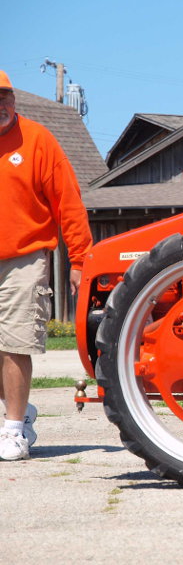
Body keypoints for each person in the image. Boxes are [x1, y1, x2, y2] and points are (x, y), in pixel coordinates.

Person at [0, 70, 93, 461]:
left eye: (3, 98)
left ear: (14, 102)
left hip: (25, 256)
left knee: (13, 342)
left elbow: (67, 201)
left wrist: (81, 257)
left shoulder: (38, 140)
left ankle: (13, 429)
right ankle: (18, 413)